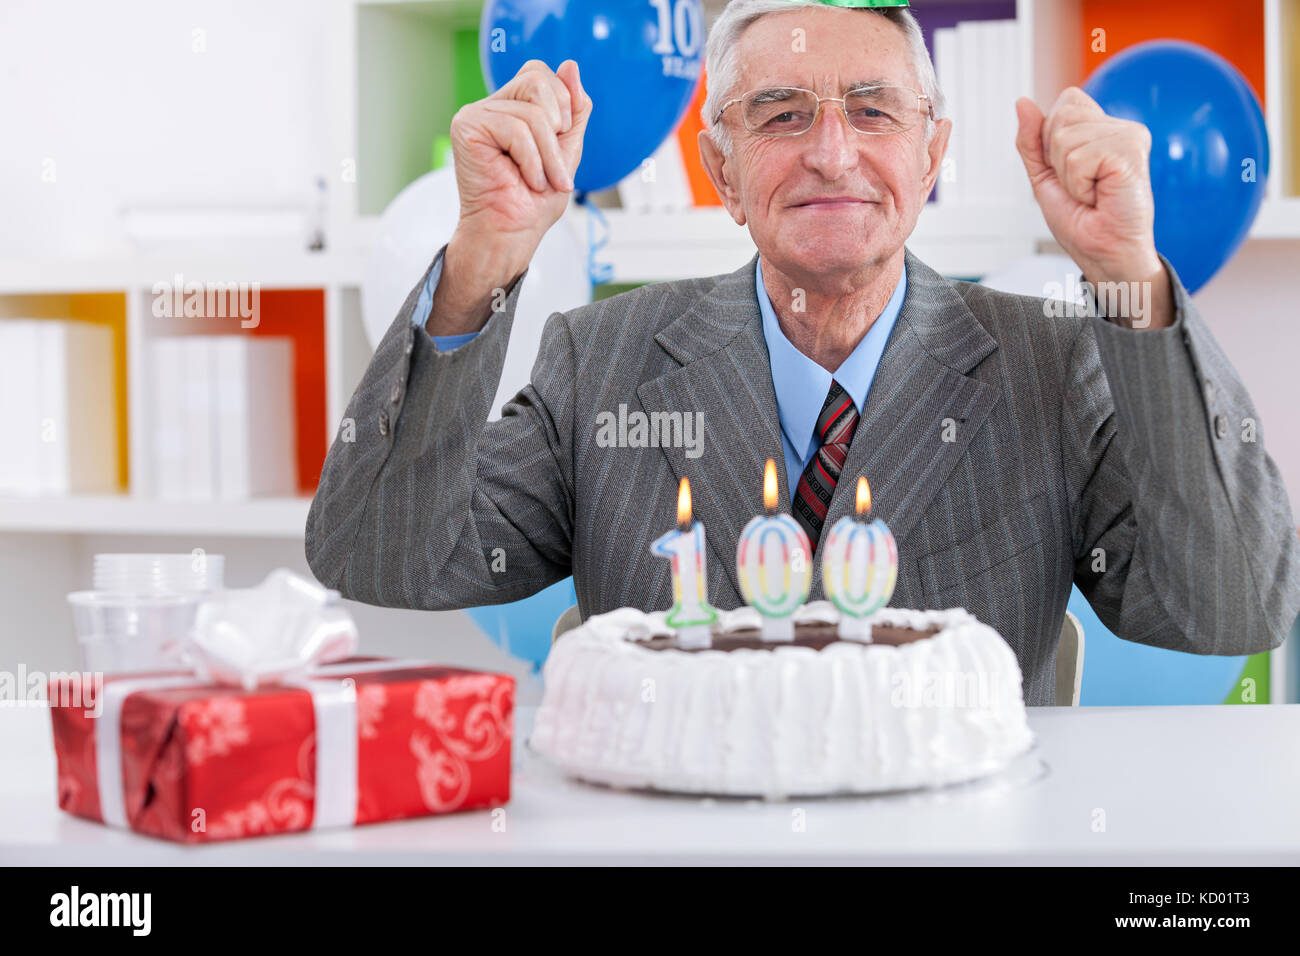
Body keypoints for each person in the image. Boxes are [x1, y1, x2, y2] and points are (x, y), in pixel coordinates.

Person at [306, 0, 1300, 705]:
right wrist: (482, 259)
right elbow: (386, 554)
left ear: (930, 155)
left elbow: (1231, 606)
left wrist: (1127, 269)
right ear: (721, 168)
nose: (832, 152)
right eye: (782, 114)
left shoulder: (1050, 364)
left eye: (872, 110)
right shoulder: (597, 364)